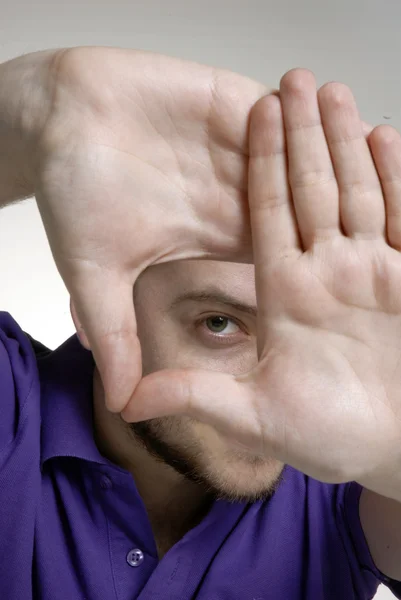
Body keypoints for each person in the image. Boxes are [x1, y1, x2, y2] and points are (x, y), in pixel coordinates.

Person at [1, 45, 401, 600]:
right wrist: (32, 108)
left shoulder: (347, 476)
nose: (279, 378)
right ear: (95, 313)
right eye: (218, 323)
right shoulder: (12, 408)